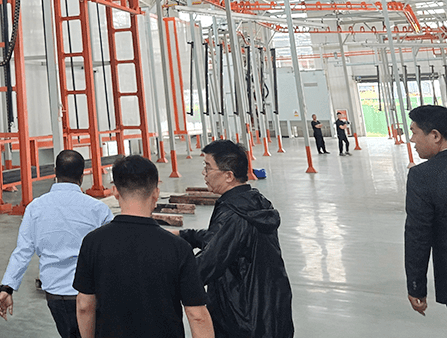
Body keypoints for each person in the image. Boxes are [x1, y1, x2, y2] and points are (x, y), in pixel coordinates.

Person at [73, 154, 214, 338]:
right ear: (155, 193)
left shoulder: (93, 242)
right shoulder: (178, 248)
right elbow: (197, 316)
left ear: (115, 191)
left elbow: (84, 305)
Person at [178, 140, 294, 338]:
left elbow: (206, 265)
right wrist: (185, 236)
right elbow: (226, 238)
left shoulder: (233, 213)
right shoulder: (251, 202)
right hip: (270, 310)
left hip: (245, 319)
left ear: (228, 176)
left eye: (208, 167)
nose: (204, 173)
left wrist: (164, 274)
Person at [0, 149, 112, 338]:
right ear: (82, 176)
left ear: (55, 172)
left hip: (55, 294)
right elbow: (113, 251)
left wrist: (7, 288)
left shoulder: (35, 208)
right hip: (89, 293)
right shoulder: (98, 209)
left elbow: (23, 251)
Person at [405, 104, 447, 316]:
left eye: (414, 132)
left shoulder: (422, 176)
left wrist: (416, 287)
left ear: (435, 136)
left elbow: (418, 236)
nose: (412, 140)